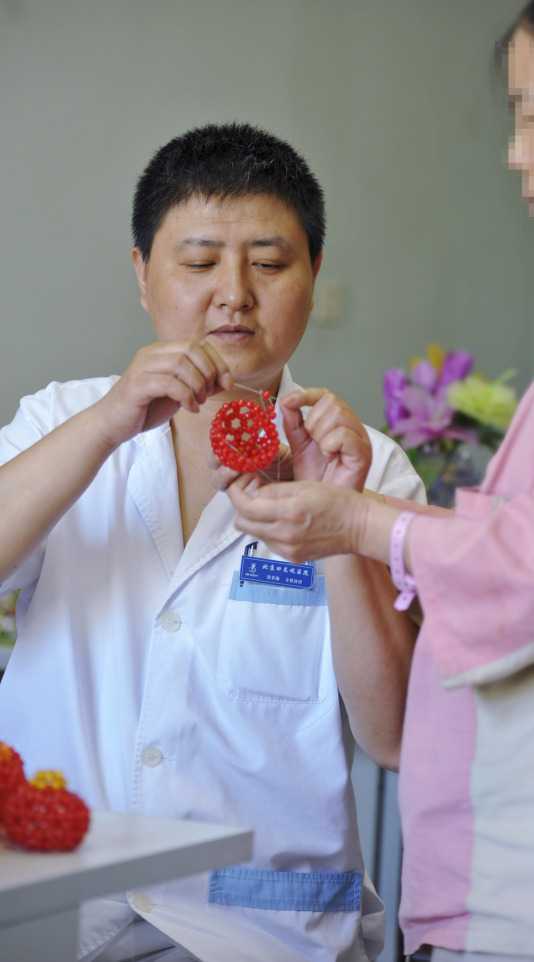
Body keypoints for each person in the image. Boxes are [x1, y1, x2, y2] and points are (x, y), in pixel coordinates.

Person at [227, 2, 534, 960]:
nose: (514, 152)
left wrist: (361, 526)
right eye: (199, 259)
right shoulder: (69, 420)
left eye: (532, 113)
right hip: (486, 876)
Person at [0, 122, 426, 962]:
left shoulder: (370, 468)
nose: (234, 293)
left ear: (311, 279)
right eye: (199, 263)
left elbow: (394, 735)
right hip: (54, 913)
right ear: (142, 273)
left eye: (269, 264)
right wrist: (107, 424)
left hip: (259, 933)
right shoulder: (64, 419)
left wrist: (337, 515)